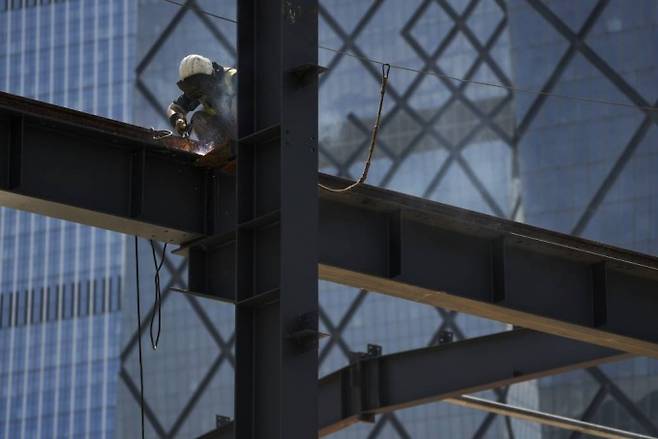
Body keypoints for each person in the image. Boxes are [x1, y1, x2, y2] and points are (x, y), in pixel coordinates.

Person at [167, 54, 237, 161]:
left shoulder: (233, 78)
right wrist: (178, 120)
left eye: (200, 86)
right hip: (226, 137)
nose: (200, 92)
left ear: (210, 77)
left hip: (245, 131)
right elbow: (174, 108)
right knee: (198, 118)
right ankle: (218, 152)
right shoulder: (197, 90)